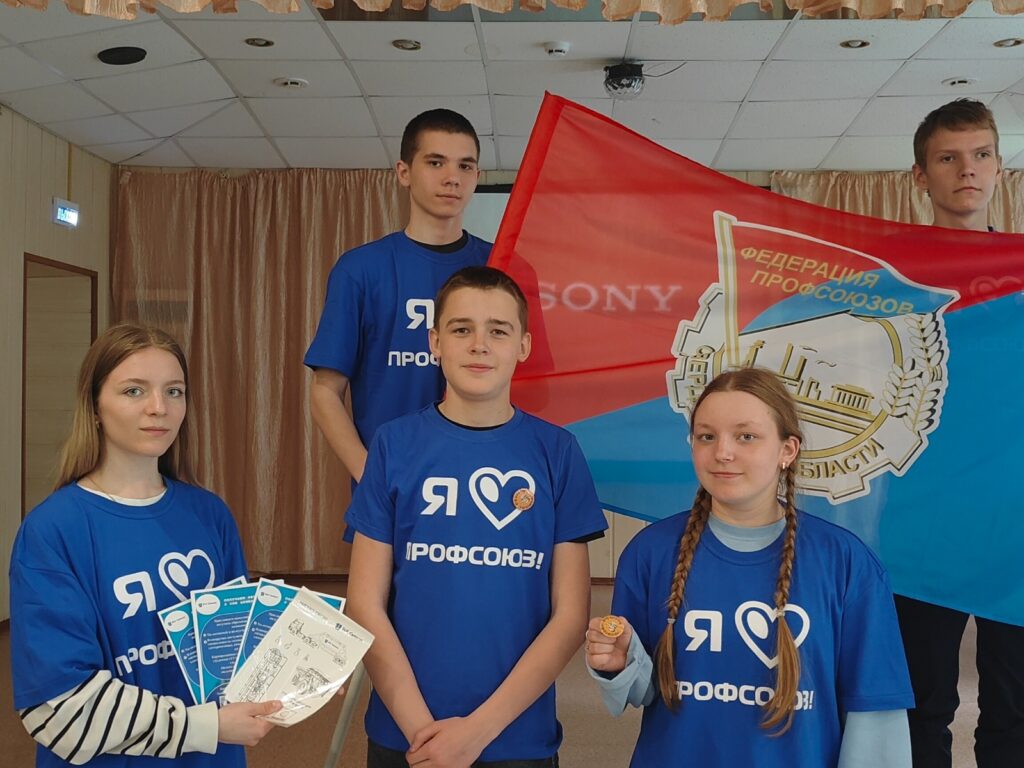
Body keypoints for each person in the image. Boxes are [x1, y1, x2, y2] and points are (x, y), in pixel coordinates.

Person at [584, 367, 914, 767]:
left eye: (746, 437)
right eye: (707, 436)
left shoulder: (846, 562)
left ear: (787, 450)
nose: (723, 452)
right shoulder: (649, 553)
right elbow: (643, 690)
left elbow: (876, 719)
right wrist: (619, 663)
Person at [345, 266, 608, 767]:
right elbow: (364, 603)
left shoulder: (558, 452)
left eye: (498, 331)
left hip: (516, 737)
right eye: (462, 329)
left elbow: (570, 615)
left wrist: (477, 732)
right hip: (406, 735)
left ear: (523, 346)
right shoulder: (394, 445)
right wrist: (423, 733)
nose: (479, 345)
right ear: (435, 342)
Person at [10, 325, 281, 767]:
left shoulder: (209, 513)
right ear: (94, 407)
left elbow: (234, 648)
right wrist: (204, 726)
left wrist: (297, 669)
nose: (159, 408)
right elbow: (58, 710)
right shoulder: (53, 531)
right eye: (134, 391)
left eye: (174, 391)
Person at [897, 98, 1023, 768]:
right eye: (947, 158)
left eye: (980, 155)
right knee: (921, 703)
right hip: (922, 518)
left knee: (1015, 704)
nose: (966, 170)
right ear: (921, 175)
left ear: (999, 167)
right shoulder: (890, 281)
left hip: (1015, 519)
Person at [305, 108, 490, 493]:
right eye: (436, 162)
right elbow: (325, 392)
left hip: (483, 479)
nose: (452, 177)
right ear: (404, 172)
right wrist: (372, 476)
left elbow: (533, 385)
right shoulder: (361, 269)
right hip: (393, 487)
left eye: (465, 165)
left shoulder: (501, 267)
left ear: (477, 176)